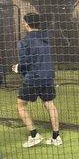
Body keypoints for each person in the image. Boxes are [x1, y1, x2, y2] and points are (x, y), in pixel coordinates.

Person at [13, 13, 62, 147]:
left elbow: (25, 63)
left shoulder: (24, 41)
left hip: (33, 78)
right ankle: (56, 137)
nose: (23, 24)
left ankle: (34, 135)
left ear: (27, 24)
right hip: (48, 76)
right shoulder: (46, 37)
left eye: (24, 22)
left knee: (21, 105)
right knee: (49, 104)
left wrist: (17, 68)